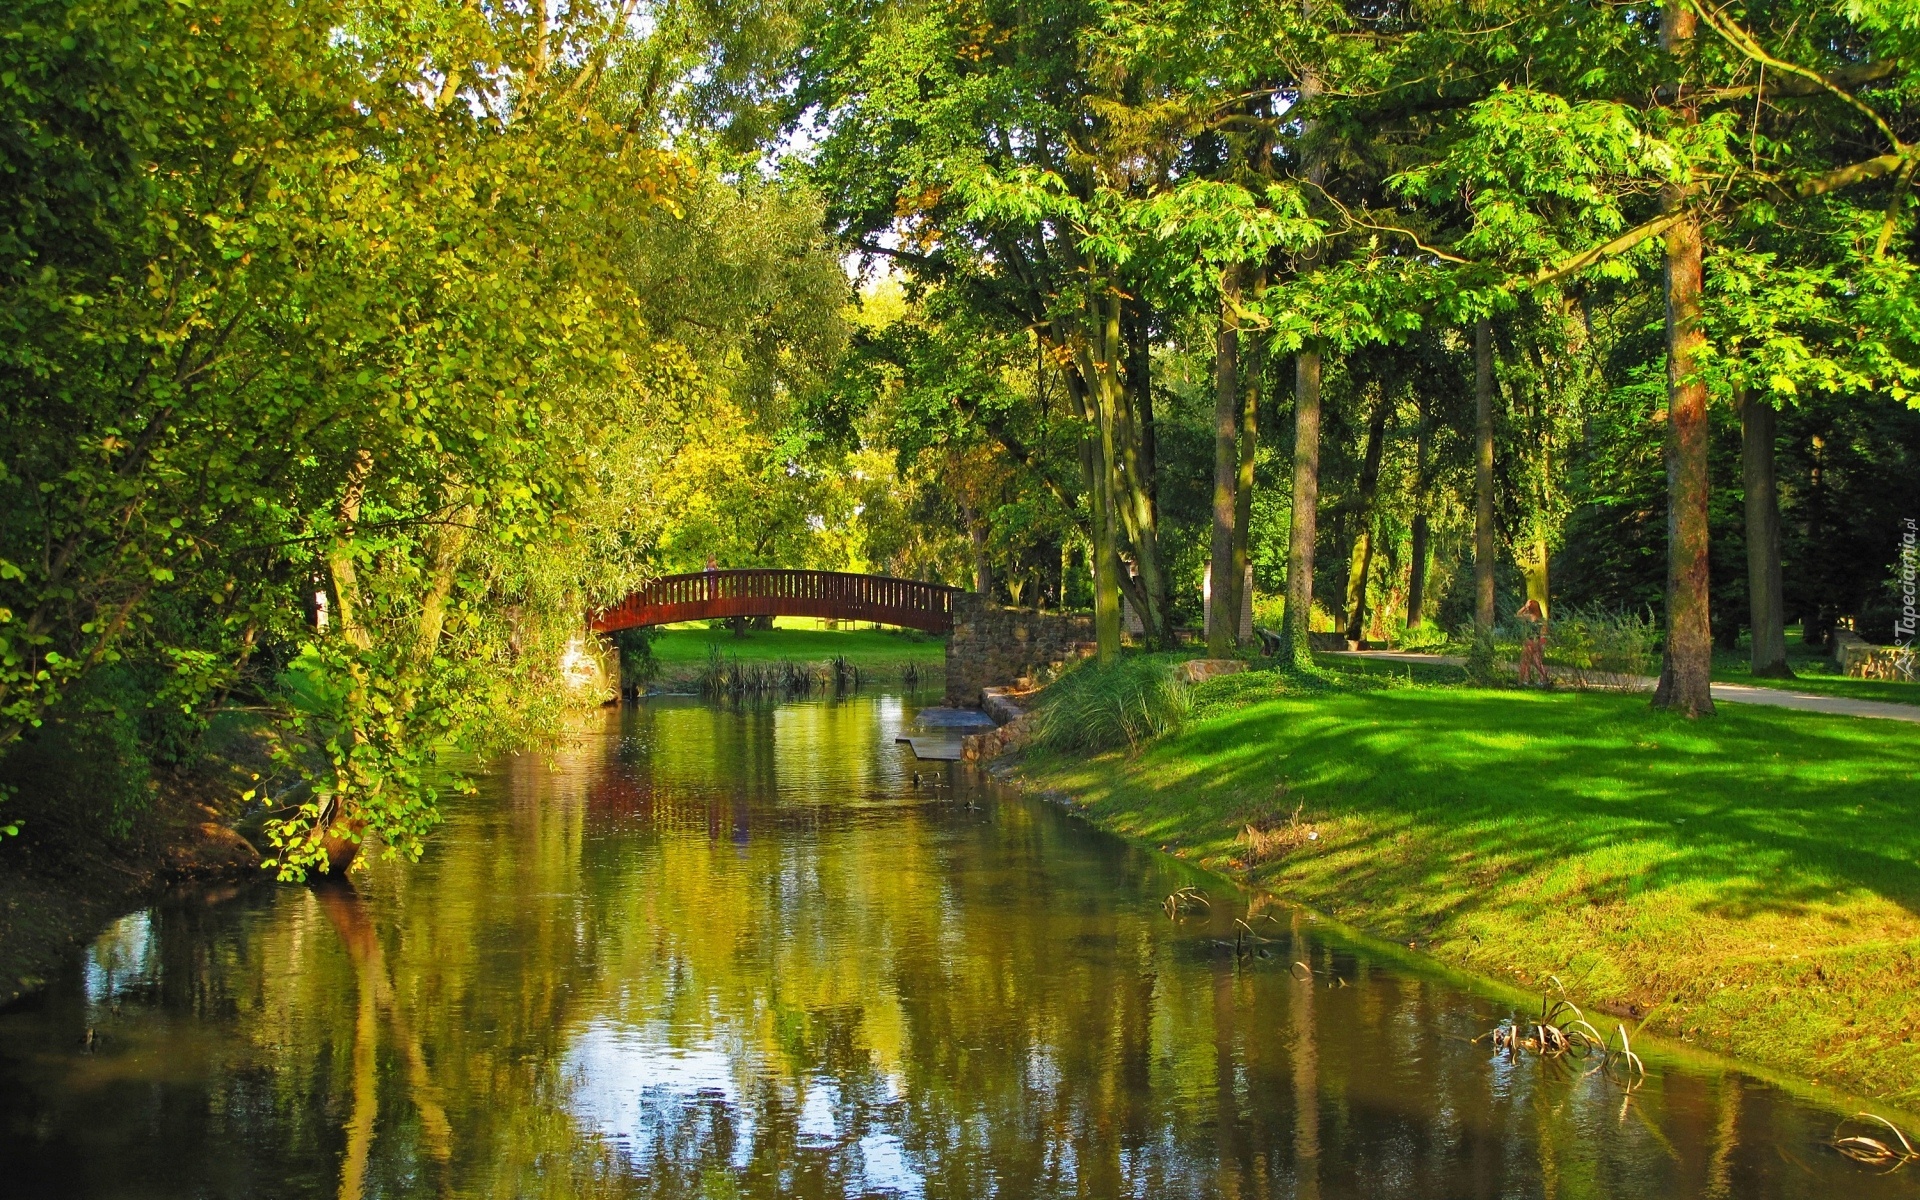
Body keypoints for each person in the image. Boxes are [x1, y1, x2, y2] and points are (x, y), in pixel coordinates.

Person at [1516, 598, 1549, 687]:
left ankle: (1522, 681)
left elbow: (1517, 615)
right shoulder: (1541, 619)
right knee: (1538, 662)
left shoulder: (1529, 617)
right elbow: (1543, 633)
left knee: (1524, 662)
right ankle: (1543, 680)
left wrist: (1524, 607)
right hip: (1537, 642)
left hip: (1529, 642)